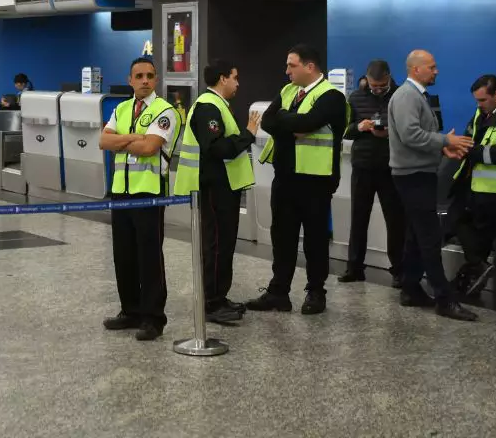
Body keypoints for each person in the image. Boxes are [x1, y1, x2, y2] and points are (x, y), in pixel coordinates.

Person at [247, 44, 348, 315]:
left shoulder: (331, 97)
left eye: (292, 65)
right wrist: (292, 124)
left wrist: (290, 122)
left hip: (316, 181)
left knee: (315, 239)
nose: (287, 70)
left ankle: (316, 292)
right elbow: (268, 121)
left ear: (310, 67)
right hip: (286, 178)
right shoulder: (288, 90)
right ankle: (279, 291)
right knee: (282, 236)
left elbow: (308, 123)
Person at [387, 50, 477, 322]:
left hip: (419, 173)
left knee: (417, 234)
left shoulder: (416, 96)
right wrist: (445, 142)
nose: (436, 71)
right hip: (412, 176)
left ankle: (411, 288)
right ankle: (444, 299)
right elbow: (410, 134)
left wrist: (441, 149)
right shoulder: (406, 96)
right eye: (432, 67)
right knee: (429, 237)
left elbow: (416, 137)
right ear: (416, 70)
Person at [97, 57, 180, 341]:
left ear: (156, 80)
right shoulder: (120, 109)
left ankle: (153, 318)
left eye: (150, 76)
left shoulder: (165, 111)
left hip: (149, 194)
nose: (145, 80)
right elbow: (103, 141)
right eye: (139, 76)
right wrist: (133, 136)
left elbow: (149, 147)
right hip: (121, 192)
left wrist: (123, 139)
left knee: (150, 257)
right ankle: (130, 311)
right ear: (130, 80)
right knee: (124, 254)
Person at [172, 59, 260, 325]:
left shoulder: (217, 105)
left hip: (225, 188)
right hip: (213, 189)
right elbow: (217, 148)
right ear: (223, 78)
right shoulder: (208, 106)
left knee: (225, 244)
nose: (237, 83)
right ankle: (211, 303)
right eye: (235, 77)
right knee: (216, 245)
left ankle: (219, 297)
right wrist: (248, 134)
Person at [447, 74, 496, 299]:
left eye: (482, 100)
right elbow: (469, 136)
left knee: (480, 240)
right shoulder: (482, 112)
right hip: (471, 183)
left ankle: (468, 286)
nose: (478, 105)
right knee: (454, 219)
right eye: (477, 101)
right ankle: (477, 269)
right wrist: (464, 147)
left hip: (495, 190)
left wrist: (471, 151)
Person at [340, 59, 405, 287]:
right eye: (374, 85)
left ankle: (399, 270)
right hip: (363, 166)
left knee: (395, 221)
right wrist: (359, 127)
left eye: (382, 85)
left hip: (391, 166)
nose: (378, 89)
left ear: (389, 78)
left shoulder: (400, 95)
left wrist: (390, 133)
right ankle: (354, 268)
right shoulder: (356, 97)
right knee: (358, 219)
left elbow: (408, 129)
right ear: (366, 79)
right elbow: (345, 131)